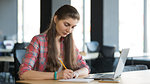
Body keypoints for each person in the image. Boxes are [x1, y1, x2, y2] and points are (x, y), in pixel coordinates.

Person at [18, 5, 90, 80]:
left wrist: (76, 73)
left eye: (73, 27)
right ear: (55, 19)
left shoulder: (69, 43)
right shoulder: (38, 41)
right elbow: (23, 73)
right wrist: (56, 75)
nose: (69, 31)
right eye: (66, 25)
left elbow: (86, 69)